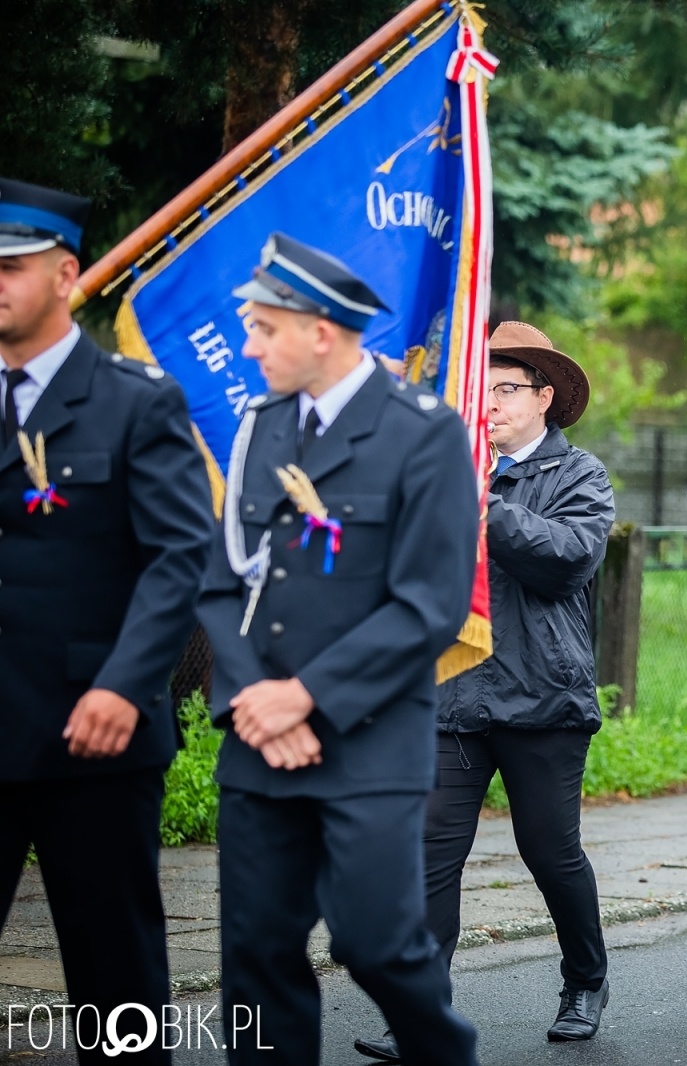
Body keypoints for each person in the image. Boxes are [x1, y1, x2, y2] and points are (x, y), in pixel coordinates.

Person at [196, 233, 481, 1065]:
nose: (249, 348)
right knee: (256, 958)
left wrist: (306, 697)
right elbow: (223, 582)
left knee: (375, 944)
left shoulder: (422, 432)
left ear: (321, 332)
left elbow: (429, 604)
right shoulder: (259, 426)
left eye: (263, 329)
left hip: (369, 746)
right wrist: (256, 701)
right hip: (260, 744)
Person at [353, 322, 613, 1062]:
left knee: (550, 853)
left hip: (544, 701)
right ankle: (422, 1012)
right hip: (452, 697)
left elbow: (568, 560)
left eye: (505, 390)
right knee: (431, 857)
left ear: (544, 397)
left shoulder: (580, 474)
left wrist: (481, 505)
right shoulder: (450, 469)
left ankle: (585, 980)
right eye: (480, 391)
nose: (489, 405)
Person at [0, 177, 214, 1065]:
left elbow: (178, 556)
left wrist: (126, 686)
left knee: (114, 978)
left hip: (93, 732)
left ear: (65, 275)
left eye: (10, 267)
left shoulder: (135, 401)